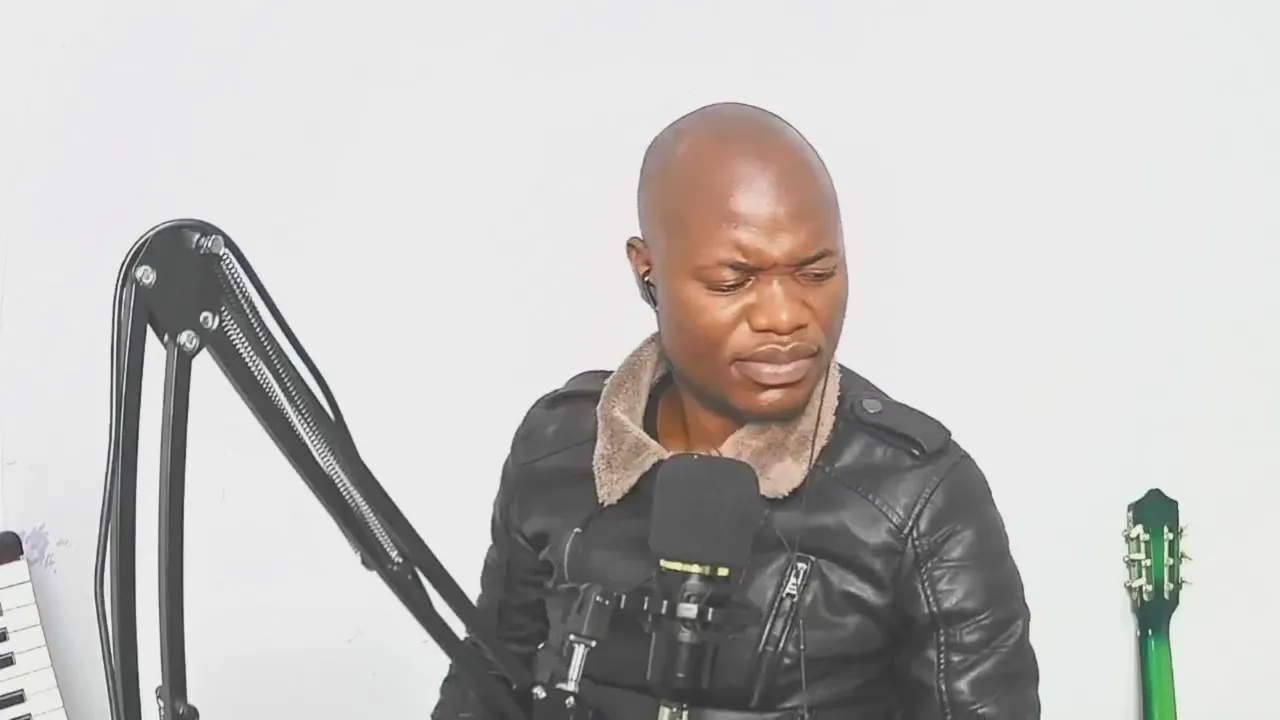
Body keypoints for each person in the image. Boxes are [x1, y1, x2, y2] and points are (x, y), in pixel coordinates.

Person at [431, 102, 1039, 720]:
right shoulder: (557, 444)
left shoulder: (919, 495)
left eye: (816, 273)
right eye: (732, 281)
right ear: (647, 269)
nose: (784, 317)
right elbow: (486, 679)